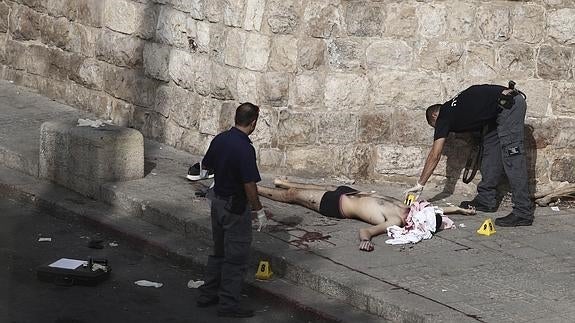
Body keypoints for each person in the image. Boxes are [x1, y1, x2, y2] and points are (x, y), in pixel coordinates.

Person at [404, 83, 534, 227]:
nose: (440, 130)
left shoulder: (444, 116)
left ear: (435, 116)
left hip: (509, 106)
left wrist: (420, 184)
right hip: (497, 110)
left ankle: (523, 212)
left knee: (512, 157)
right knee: (491, 153)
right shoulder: (454, 108)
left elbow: (435, 154)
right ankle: (486, 199)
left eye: (435, 127)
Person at [258, 178, 476, 252]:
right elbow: (437, 210)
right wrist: (459, 209)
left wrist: (366, 241)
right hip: (347, 192)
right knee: (320, 185)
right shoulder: (410, 208)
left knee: (293, 196)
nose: (422, 208)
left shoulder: (396, 220)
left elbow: (367, 231)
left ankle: (255, 189)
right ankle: (282, 181)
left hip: (336, 205)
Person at [196, 102, 270, 318]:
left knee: (218, 251)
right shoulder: (245, 148)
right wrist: (259, 211)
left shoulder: (220, 139)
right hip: (235, 207)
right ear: (253, 123)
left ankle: (208, 293)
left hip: (217, 202)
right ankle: (228, 304)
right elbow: (249, 184)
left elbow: (206, 166)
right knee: (236, 257)